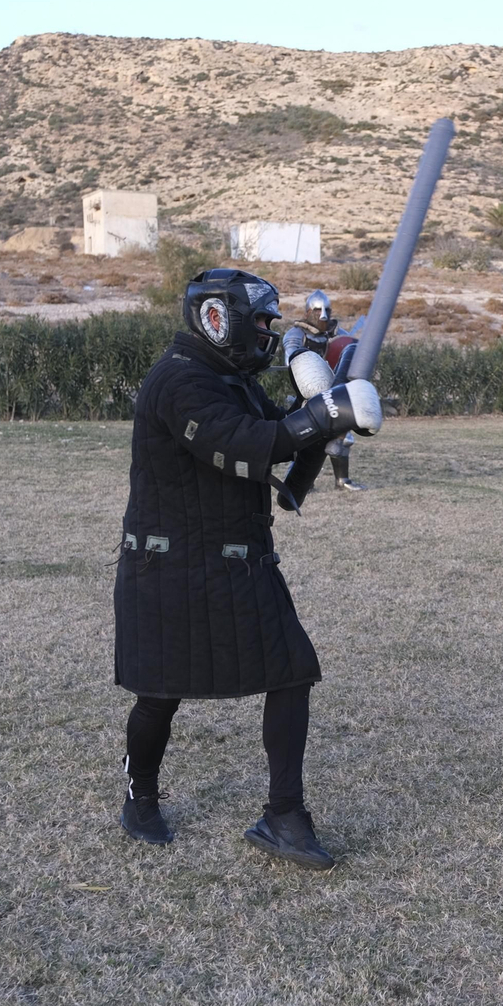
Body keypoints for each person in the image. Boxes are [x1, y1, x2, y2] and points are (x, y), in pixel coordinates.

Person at [114, 268, 382, 867]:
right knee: (161, 692)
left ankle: (284, 815)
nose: (266, 334)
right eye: (260, 322)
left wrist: (327, 414)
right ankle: (140, 794)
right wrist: (324, 415)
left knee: (291, 671)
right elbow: (240, 444)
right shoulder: (177, 381)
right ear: (218, 318)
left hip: (238, 558)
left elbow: (278, 438)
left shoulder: (227, 379)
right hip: (170, 565)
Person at [297, 289, 365, 492]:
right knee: (308, 438)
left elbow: (351, 354)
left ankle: (342, 480)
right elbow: (293, 360)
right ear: (309, 311)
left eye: (326, 310)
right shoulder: (297, 334)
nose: (323, 315)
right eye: (317, 311)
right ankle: (304, 482)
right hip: (308, 392)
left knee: (343, 437)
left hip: (336, 389)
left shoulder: (339, 335)